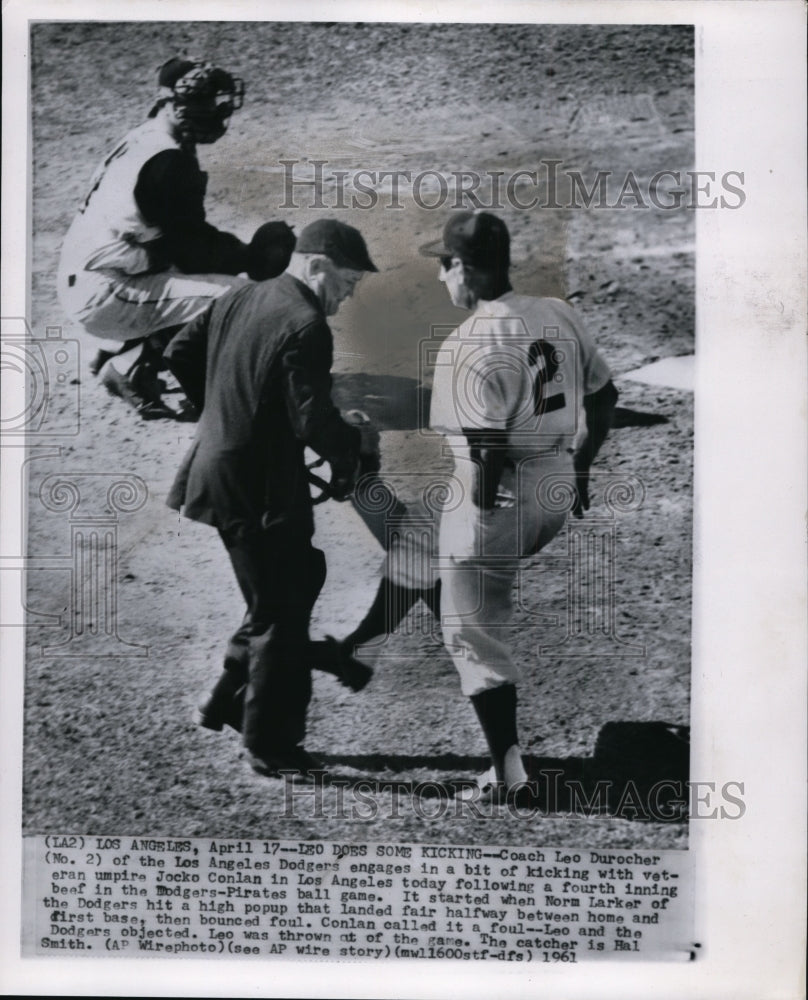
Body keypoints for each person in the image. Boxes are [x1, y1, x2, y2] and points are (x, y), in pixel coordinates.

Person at [165, 219, 378, 779]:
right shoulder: (307, 323)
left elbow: (182, 350)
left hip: (214, 474)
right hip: (258, 490)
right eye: (350, 279)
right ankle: (270, 744)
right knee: (281, 615)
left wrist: (221, 414)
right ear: (318, 266)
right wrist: (355, 448)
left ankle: (222, 699)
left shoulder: (242, 293)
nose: (352, 293)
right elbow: (311, 419)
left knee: (285, 586)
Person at [419, 210, 619, 803]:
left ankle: (506, 777)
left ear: (463, 269)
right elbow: (605, 395)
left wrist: (480, 515)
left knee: (473, 636)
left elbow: (482, 449)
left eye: (442, 266)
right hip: (554, 488)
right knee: (449, 585)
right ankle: (466, 592)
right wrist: (580, 468)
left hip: (499, 500)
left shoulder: (468, 344)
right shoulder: (558, 311)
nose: (439, 278)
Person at [57, 56, 295, 418]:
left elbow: (177, 242)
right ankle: (129, 366)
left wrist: (235, 256)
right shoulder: (167, 161)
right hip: (106, 290)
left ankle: (122, 353)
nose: (216, 111)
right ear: (175, 103)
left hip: (98, 273)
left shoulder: (146, 137)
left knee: (186, 274)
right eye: (206, 101)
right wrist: (249, 258)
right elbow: (193, 250)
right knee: (239, 298)